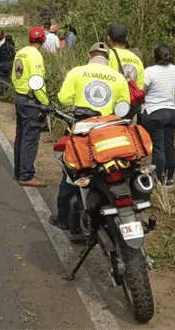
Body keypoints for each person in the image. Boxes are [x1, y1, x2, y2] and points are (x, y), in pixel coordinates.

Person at [49, 42, 130, 230]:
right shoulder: (118, 78)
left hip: (80, 133)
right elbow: (123, 108)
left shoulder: (77, 72)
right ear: (107, 59)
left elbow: (63, 98)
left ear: (89, 55)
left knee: (71, 174)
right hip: (107, 135)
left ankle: (64, 219)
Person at [142, 44, 175, 188]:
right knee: (169, 146)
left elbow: (142, 90)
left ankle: (157, 180)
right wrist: (174, 93)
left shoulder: (150, 71)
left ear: (154, 56)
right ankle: (169, 180)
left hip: (154, 112)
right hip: (172, 113)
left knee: (158, 147)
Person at [11, 27, 49, 187]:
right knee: (30, 138)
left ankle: (18, 171)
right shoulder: (36, 56)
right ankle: (26, 175)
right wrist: (45, 102)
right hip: (31, 100)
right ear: (43, 40)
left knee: (20, 136)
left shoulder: (20, 52)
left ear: (29, 39)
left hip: (19, 97)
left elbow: (14, 75)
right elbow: (37, 82)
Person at [106, 23, 145, 89]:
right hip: (131, 98)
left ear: (109, 39)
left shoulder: (106, 55)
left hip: (114, 97)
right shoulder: (137, 59)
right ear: (126, 39)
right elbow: (140, 87)